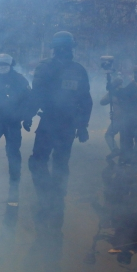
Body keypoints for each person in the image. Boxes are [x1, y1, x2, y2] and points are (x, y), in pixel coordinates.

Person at [28, 31, 93, 226]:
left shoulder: (45, 67)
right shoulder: (79, 70)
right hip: (69, 124)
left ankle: (45, 195)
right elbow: (86, 101)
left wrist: (26, 116)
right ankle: (58, 194)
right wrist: (82, 127)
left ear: (53, 48)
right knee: (61, 161)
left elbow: (36, 96)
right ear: (72, 48)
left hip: (49, 121)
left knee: (38, 161)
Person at [0, 53, 32, 206]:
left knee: (13, 153)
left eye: (5, 65)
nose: (2, 68)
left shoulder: (20, 80)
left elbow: (29, 100)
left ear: (11, 65)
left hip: (12, 123)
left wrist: (27, 118)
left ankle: (14, 183)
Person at [100, 76, 123, 162]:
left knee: (109, 135)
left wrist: (110, 92)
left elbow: (102, 102)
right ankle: (127, 154)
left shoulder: (113, 93)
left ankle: (115, 149)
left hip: (118, 118)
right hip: (129, 118)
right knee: (125, 137)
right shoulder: (126, 91)